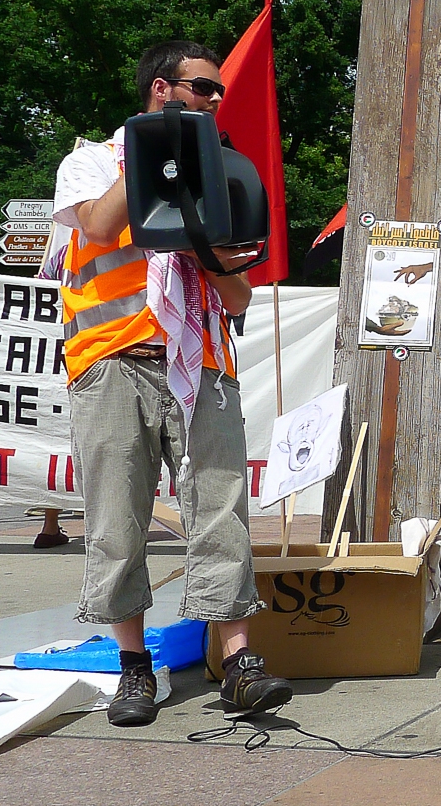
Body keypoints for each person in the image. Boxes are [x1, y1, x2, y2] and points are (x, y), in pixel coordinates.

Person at [53, 40, 292, 726]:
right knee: (116, 522)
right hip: (111, 359)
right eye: (204, 90)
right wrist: (153, 155)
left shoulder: (220, 173)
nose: (217, 101)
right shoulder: (93, 161)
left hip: (203, 362)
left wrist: (206, 247)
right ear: (163, 89)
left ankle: (239, 664)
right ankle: (135, 671)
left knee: (220, 512)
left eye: (218, 93)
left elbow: (239, 297)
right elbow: (98, 225)